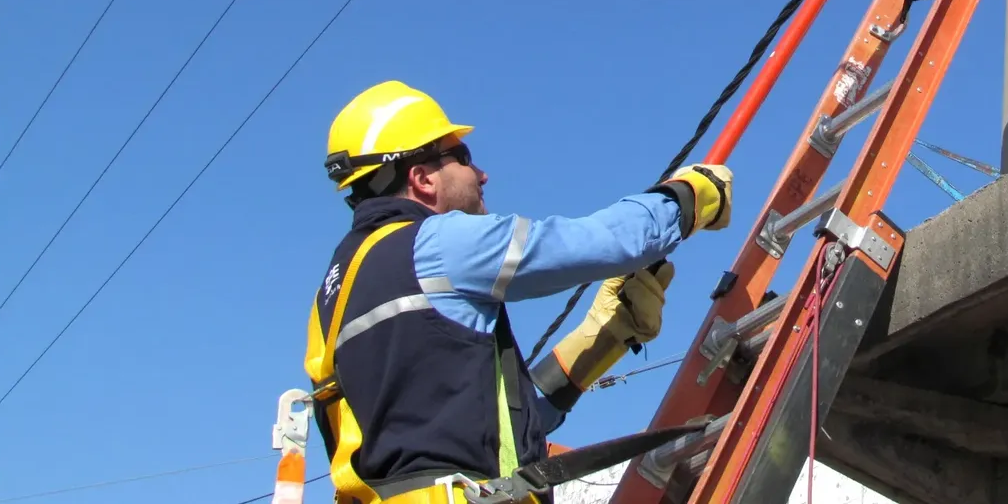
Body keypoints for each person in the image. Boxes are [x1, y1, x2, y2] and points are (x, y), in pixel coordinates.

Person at [304, 80, 732, 504]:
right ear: (422, 178)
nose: (481, 174)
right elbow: (601, 242)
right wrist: (690, 197)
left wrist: (603, 337)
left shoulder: (332, 300)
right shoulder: (438, 244)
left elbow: (490, 431)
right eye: (462, 157)